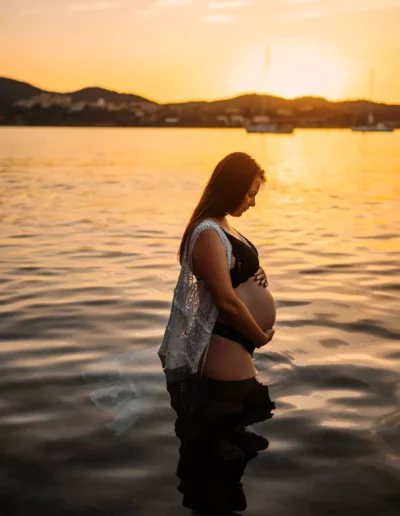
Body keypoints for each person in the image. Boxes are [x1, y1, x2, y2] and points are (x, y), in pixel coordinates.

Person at [158, 152, 276, 462]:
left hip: (236, 342)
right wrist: (259, 338)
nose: (252, 202)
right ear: (232, 187)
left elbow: (231, 271)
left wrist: (253, 272)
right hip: (227, 343)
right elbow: (225, 301)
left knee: (245, 423)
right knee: (227, 429)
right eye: (250, 193)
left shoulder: (222, 224)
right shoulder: (207, 232)